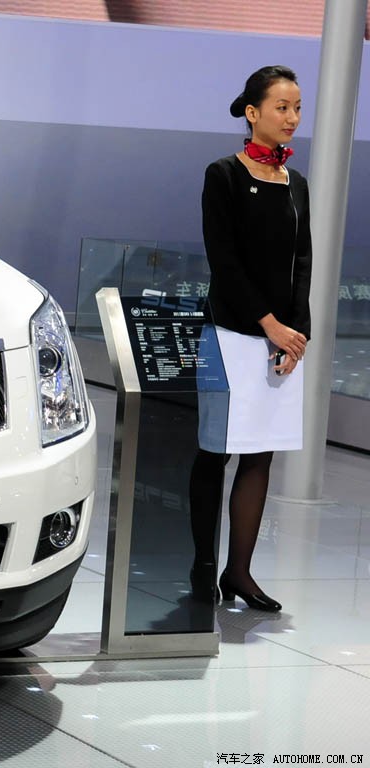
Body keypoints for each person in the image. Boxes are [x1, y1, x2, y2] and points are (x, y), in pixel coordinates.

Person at [189, 65, 312, 613]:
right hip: (231, 334)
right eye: (282, 107)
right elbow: (225, 261)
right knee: (215, 453)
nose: (292, 117)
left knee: (260, 455)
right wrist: (269, 323)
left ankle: (239, 572)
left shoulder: (296, 183)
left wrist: (296, 334)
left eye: (298, 107)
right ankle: (201, 567)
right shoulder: (223, 175)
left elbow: (302, 263)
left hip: (280, 341)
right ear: (252, 112)